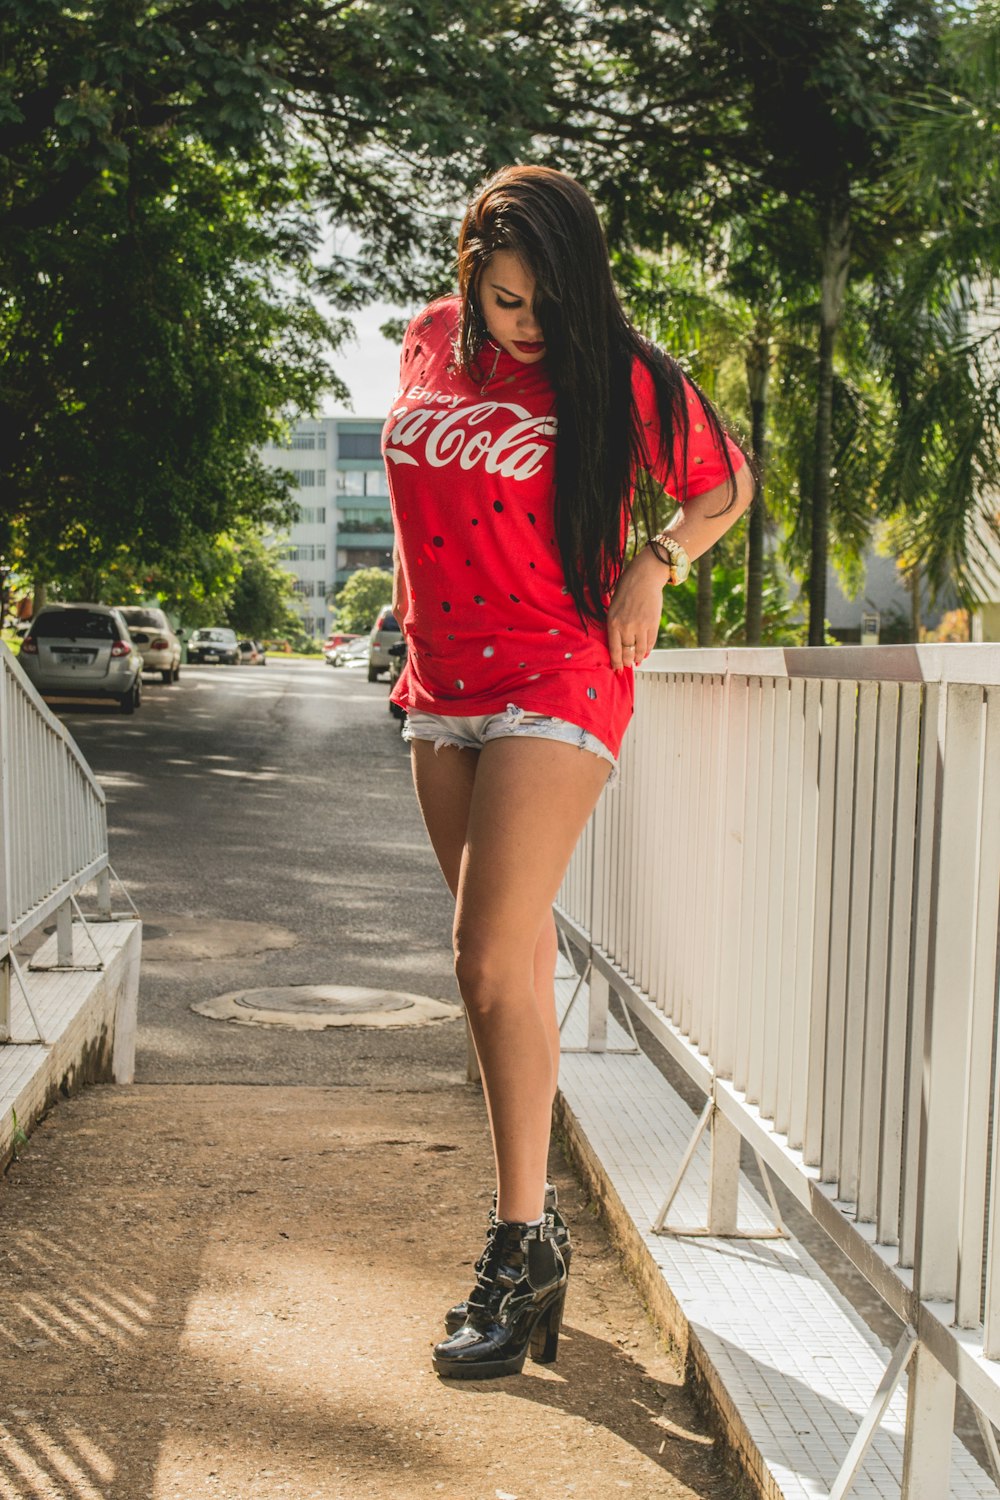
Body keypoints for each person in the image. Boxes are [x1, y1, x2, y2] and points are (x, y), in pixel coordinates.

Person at [381, 165, 754, 1380]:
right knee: (512, 974)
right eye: (503, 302)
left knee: (484, 957)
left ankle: (512, 1241)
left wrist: (654, 562)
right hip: (442, 685)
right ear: (468, 281)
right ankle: (531, 1243)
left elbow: (724, 485)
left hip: (555, 671)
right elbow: (417, 500)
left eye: (545, 301)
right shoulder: (427, 342)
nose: (524, 324)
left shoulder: (622, 373)